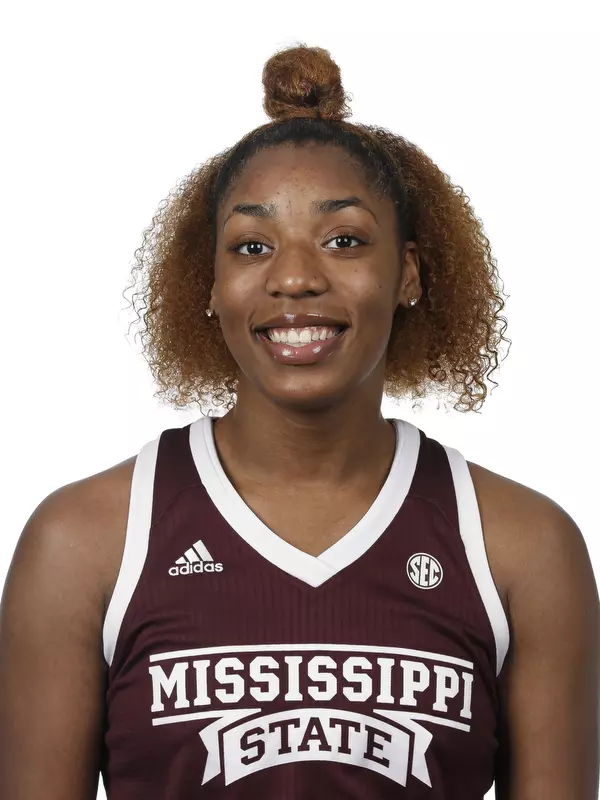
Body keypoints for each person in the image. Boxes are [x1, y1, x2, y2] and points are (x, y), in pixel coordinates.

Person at [0, 42, 598, 800]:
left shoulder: (524, 549)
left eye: (344, 240)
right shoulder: (84, 543)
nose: (294, 277)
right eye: (252, 246)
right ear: (211, 284)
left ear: (408, 272)